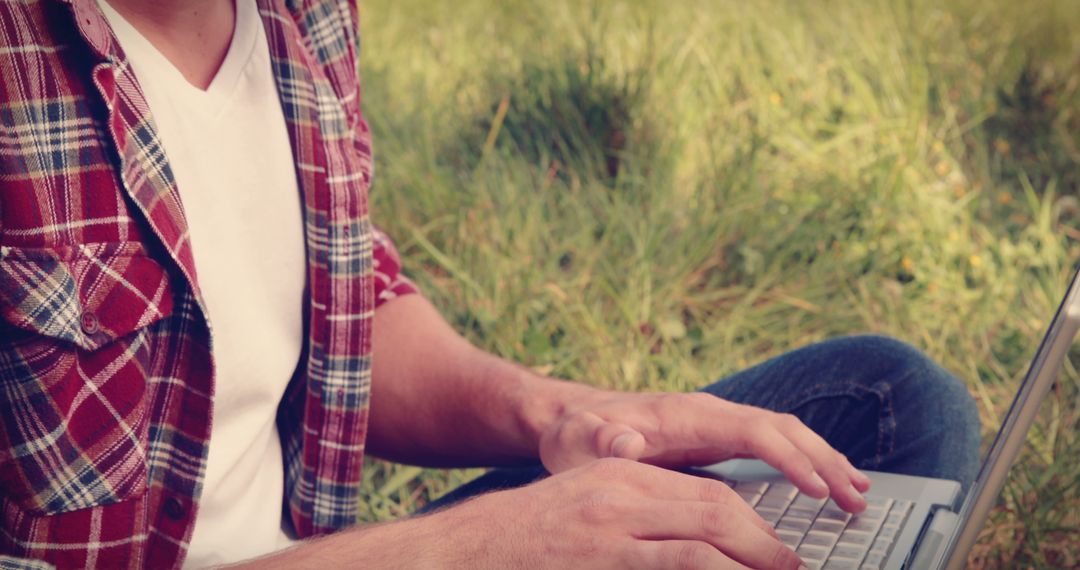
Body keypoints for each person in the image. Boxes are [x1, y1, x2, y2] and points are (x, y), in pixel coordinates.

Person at [0, 1, 980, 568]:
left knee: (888, 407)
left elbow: (335, 306)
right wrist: (470, 549)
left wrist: (562, 416)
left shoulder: (297, 14)